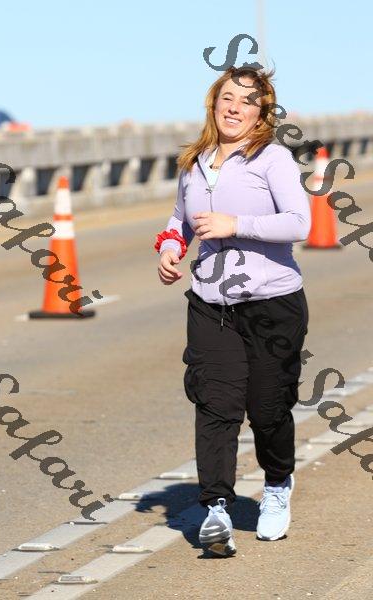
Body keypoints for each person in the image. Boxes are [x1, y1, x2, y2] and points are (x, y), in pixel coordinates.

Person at [154, 65, 310, 557]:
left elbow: (299, 222)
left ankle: (277, 485)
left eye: (246, 101)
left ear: (262, 113)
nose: (234, 108)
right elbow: (180, 219)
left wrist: (235, 224)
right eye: (227, 98)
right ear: (213, 103)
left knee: (267, 409)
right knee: (215, 404)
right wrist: (171, 247)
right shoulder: (194, 161)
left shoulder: (273, 159)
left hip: (272, 305)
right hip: (210, 303)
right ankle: (216, 508)